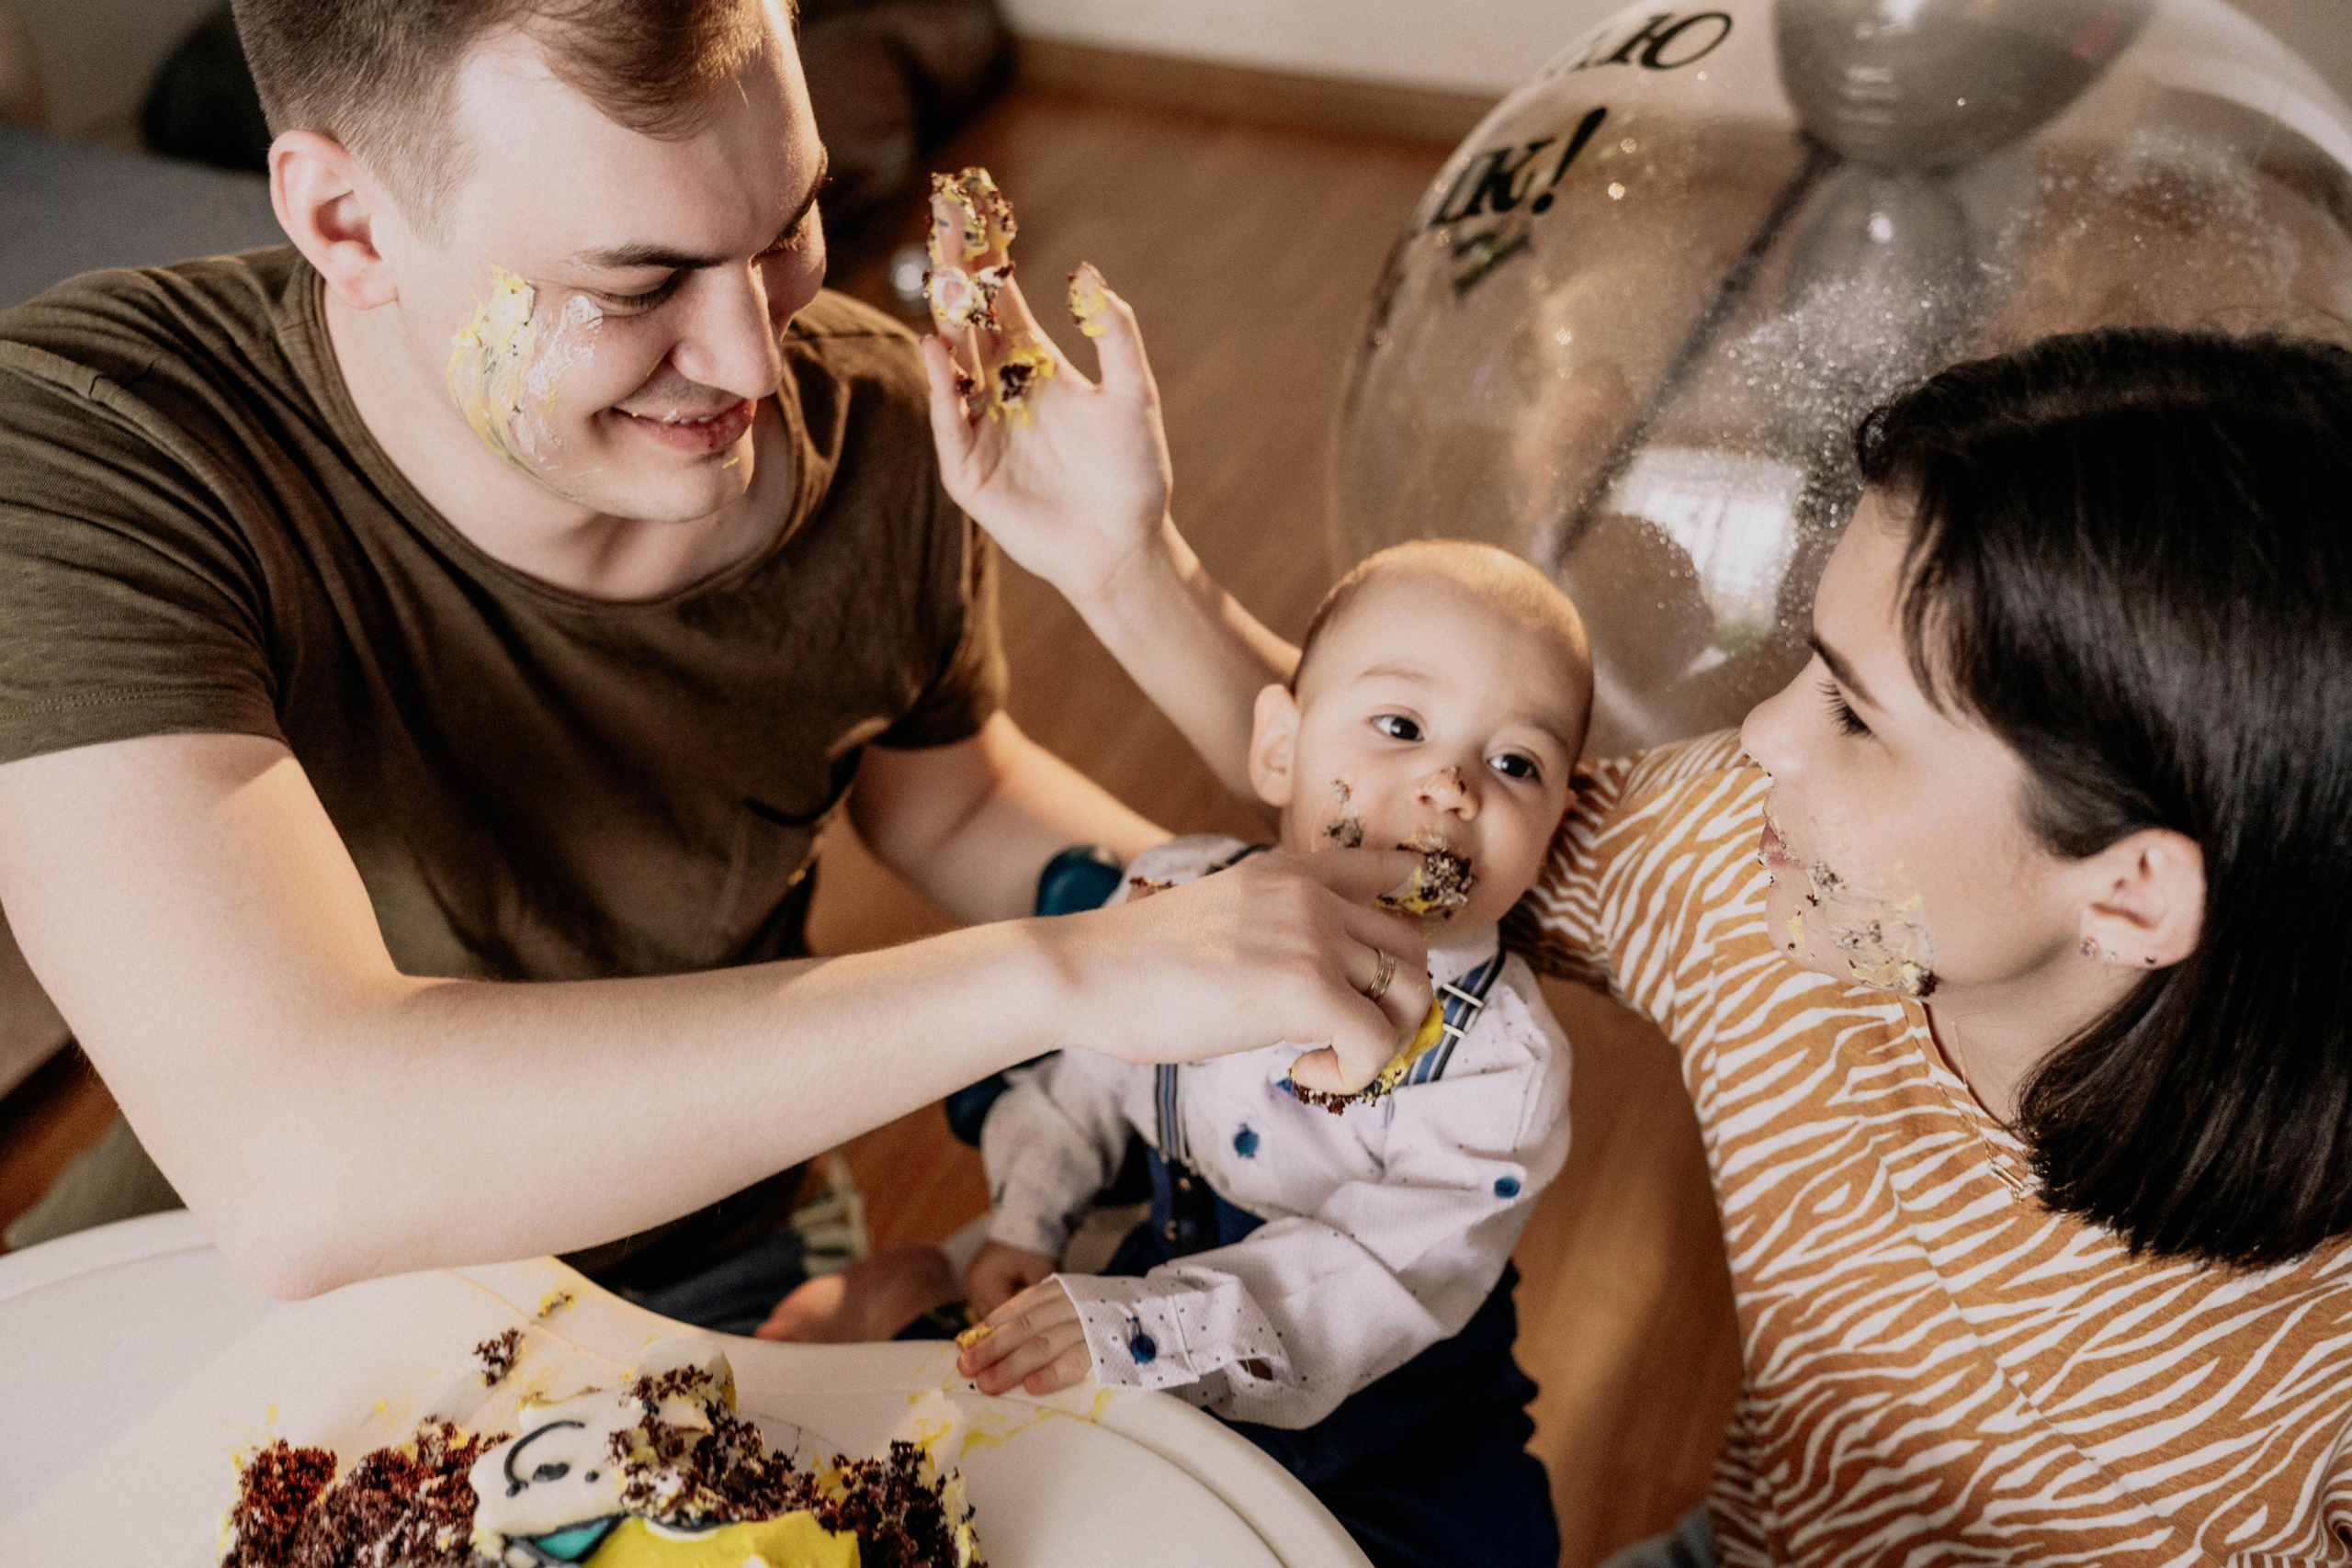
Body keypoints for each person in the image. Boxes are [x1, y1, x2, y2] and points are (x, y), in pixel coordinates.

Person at [0, 0, 1437, 1325]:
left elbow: (952, 796)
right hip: (192, 1297)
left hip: (708, 1255)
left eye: (788, 223)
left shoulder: (870, 420)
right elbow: (301, 1166)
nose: (755, 361)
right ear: (347, 220)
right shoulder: (97, 447)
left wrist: (1158, 655)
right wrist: (1072, 973)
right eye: (637, 285)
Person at [922, 279, 2352, 1559]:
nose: (1763, 736)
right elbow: (1402, 817)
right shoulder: (1776, 885)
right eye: (1810, 666)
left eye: (1858, 715)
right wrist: (1124, 562)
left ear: (2132, 889)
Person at [928, 540, 1587, 1568]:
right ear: (1279, 749)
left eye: (1516, 765)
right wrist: (1030, 1214)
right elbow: (1092, 1074)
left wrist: (1142, 1327)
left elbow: (1372, 1278)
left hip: (1392, 1432)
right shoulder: (1177, 901)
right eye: (1401, 726)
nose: (1455, 785)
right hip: (1157, 1332)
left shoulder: (1501, 1067)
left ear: (1553, 828)